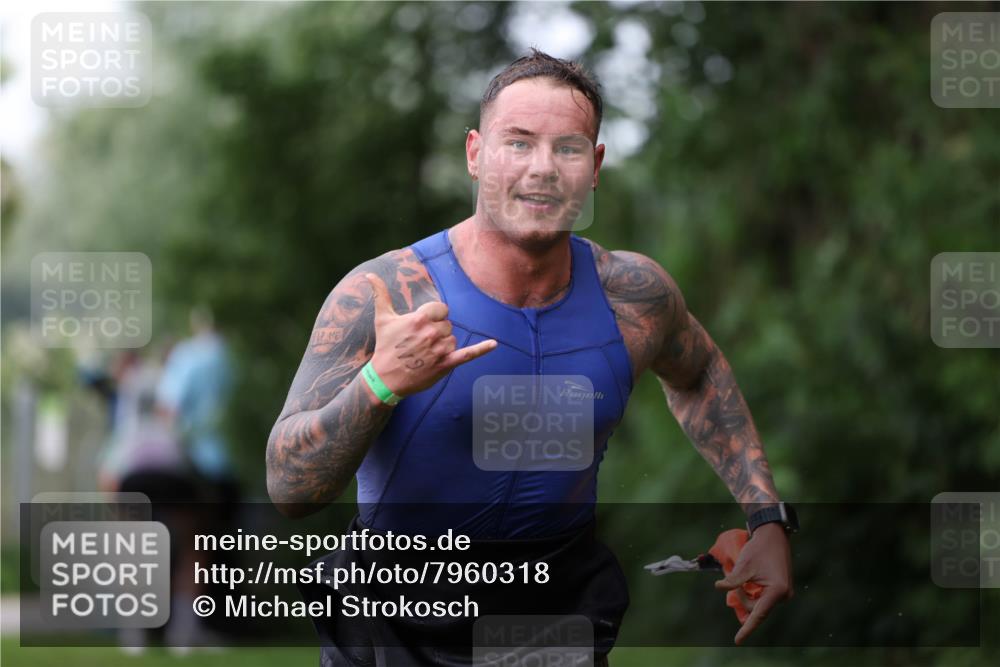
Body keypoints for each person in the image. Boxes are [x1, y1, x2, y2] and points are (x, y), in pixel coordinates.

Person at [268, 49, 794, 665]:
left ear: (595, 166)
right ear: (475, 153)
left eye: (568, 148)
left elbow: (698, 373)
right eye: (518, 143)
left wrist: (766, 518)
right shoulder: (387, 294)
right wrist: (381, 383)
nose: (543, 168)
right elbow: (288, 489)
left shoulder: (635, 296)